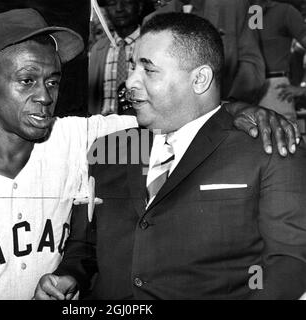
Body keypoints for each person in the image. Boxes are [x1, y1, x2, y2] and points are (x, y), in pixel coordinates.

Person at [35, 13, 306, 300]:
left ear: (200, 79)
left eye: (148, 71)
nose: (129, 83)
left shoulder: (270, 151)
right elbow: (86, 244)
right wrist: (69, 275)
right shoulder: (111, 148)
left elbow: (289, 263)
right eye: (132, 68)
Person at [0, 8, 140, 300]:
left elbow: (160, 129)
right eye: (27, 80)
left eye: (52, 81)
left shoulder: (75, 141)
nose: (45, 97)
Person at [145, 0, 266, 104]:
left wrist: (230, 103)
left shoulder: (233, 6)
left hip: (223, 109)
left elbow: (251, 62)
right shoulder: (153, 19)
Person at [251, 0, 306, 122]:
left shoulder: (285, 12)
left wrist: (303, 90)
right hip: (244, 91)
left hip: (274, 88)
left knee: (281, 138)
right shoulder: (245, 14)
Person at [88, 0, 145, 115]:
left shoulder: (151, 45)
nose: (119, 8)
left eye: (127, 2)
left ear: (139, 6)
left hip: (140, 127)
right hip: (104, 126)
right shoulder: (98, 49)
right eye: (112, 3)